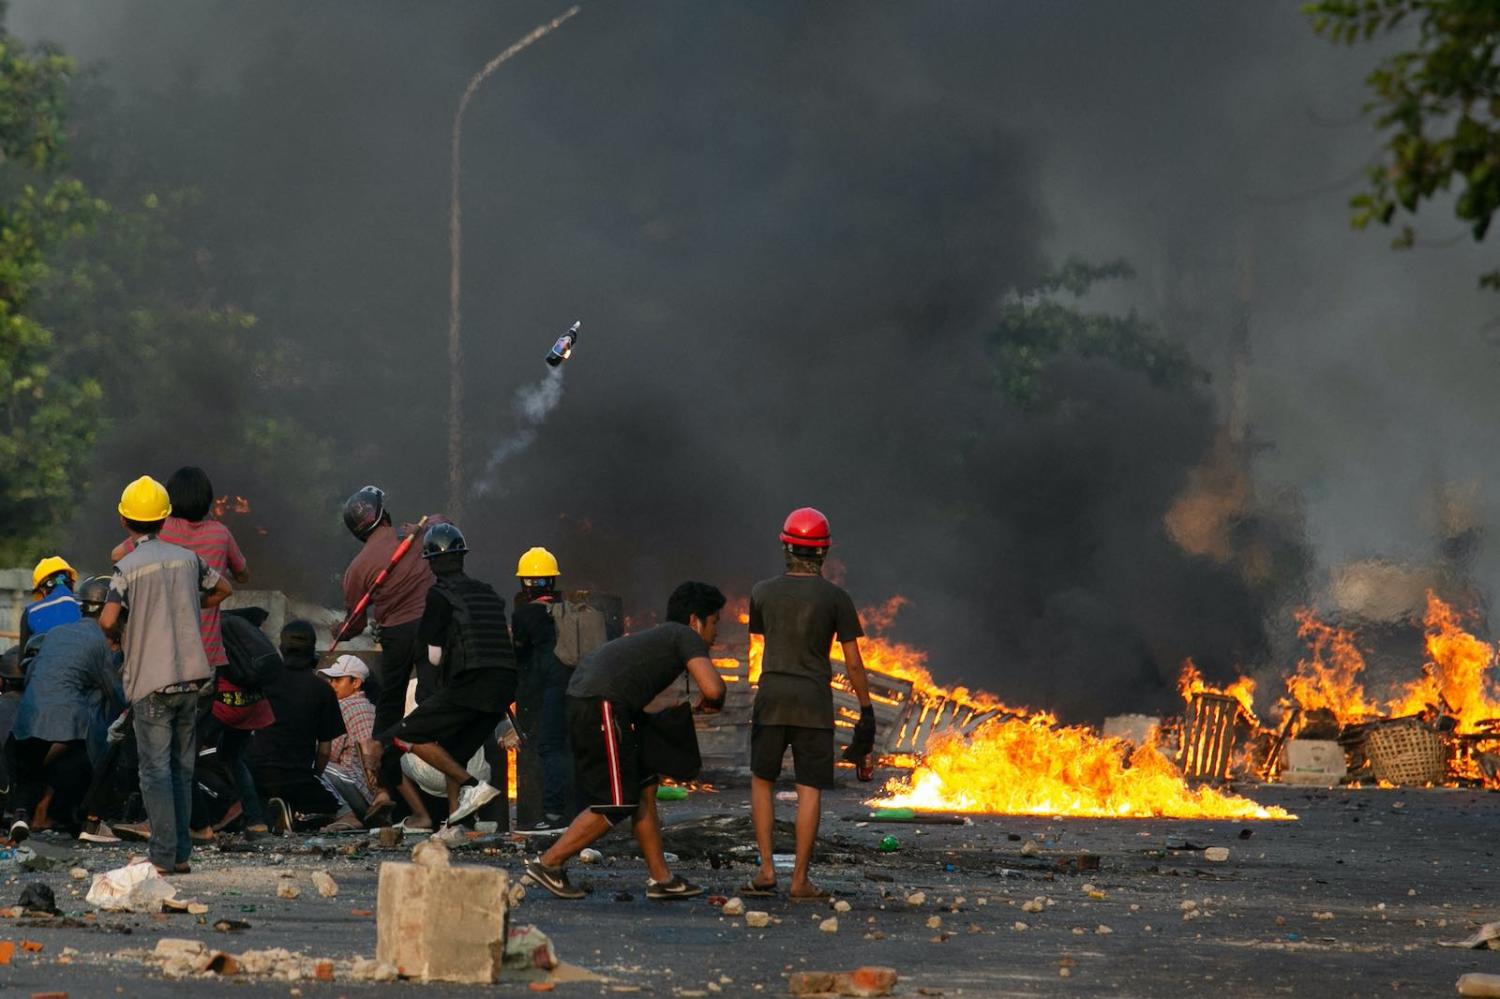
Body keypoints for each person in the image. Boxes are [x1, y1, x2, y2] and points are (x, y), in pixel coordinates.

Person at [523, 581, 727, 902]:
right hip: (600, 704)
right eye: (715, 622)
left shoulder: (662, 637)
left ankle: (662, 879)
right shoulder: (685, 636)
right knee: (616, 801)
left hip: (600, 701)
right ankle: (549, 863)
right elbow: (715, 690)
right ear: (695, 620)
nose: (716, 633)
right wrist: (710, 701)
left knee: (644, 786)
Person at [114, 467, 268, 839]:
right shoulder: (221, 532)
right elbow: (242, 575)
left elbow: (118, 554)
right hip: (207, 661)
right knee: (189, 750)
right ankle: (203, 824)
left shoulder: (160, 535)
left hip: (161, 658)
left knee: (157, 752)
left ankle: (176, 826)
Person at [99, 475, 233, 875]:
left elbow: (107, 619)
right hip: (193, 676)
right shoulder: (187, 559)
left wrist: (119, 634)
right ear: (164, 518)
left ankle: (161, 856)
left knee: (154, 770)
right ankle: (181, 854)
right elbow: (223, 589)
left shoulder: (126, 568)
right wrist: (193, 604)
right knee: (181, 767)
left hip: (151, 681)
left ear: (125, 520)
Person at [743, 507, 873, 901]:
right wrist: (866, 712)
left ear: (785, 546)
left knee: (762, 782)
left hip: (771, 696)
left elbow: (764, 641)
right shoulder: (836, 598)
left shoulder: (761, 592)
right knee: (809, 789)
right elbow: (853, 662)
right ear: (824, 552)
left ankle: (766, 870)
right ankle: (800, 880)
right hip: (813, 702)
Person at [376, 523, 514, 833]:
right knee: (455, 751)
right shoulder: (488, 592)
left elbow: (433, 652)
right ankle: (457, 822)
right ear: (462, 557)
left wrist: (430, 692)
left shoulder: (439, 595)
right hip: (504, 686)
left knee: (405, 735)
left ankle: (472, 786)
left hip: (470, 683)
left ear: (432, 562)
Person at [8, 576, 125, 841]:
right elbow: (115, 693)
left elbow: (34, 672)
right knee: (102, 749)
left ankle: (21, 816)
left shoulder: (57, 633)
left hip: (27, 720)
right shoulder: (99, 643)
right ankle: (87, 822)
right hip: (66, 726)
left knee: (31, 769)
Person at [337, 486, 441, 737]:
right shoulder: (414, 535)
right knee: (433, 694)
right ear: (384, 514)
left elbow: (355, 624)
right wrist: (425, 526)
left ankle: (384, 762)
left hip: (396, 637)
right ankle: (439, 750)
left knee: (390, 702)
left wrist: (340, 632)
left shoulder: (357, 568)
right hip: (433, 629)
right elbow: (443, 522)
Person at [247, 620, 345, 831]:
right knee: (338, 811)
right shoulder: (323, 690)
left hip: (258, 775)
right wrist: (314, 776)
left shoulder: (263, 682)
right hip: (298, 778)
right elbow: (325, 751)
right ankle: (291, 813)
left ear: (281, 647)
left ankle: (268, 812)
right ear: (312, 650)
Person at [511, 546, 570, 833]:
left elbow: (521, 659)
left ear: (525, 583)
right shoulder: (566, 610)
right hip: (575, 685)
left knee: (548, 746)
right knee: (565, 745)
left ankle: (555, 815)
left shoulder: (525, 615)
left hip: (549, 688)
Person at [315, 654, 391, 831]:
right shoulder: (372, 707)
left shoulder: (343, 707)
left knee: (313, 762)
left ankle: (346, 813)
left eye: (338, 680)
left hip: (357, 787)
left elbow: (328, 754)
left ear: (356, 683)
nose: (332, 685)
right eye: (331, 680)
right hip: (375, 789)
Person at [18, 557, 82, 651]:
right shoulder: (86, 606)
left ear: (42, 590)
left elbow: (22, 660)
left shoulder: (31, 612)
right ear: (71, 583)